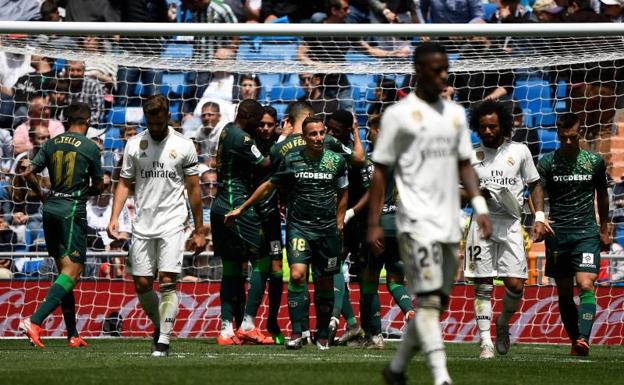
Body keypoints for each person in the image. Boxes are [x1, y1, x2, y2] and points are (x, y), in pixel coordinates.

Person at [366, 42, 492, 385]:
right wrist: (374, 221)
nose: (444, 75)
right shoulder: (397, 116)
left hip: (450, 221)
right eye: (437, 69)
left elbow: (465, 163)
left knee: (436, 304)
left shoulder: (454, 113)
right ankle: (441, 377)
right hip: (414, 221)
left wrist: (479, 206)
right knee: (427, 298)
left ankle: (396, 369)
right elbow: (380, 171)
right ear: (419, 70)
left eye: (446, 68)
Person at [226, 116, 349, 350]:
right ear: (304, 138)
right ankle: (297, 332)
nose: (319, 138)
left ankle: (322, 331)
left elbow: (343, 191)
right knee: (296, 275)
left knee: (324, 283)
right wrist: (242, 208)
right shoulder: (291, 159)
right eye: (313, 134)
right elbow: (270, 185)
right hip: (299, 228)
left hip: (327, 231)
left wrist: (340, 220)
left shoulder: (337, 161)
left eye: (321, 133)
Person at [107, 95, 206, 357]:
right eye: (151, 122)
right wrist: (114, 216)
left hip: (173, 222)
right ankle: (160, 326)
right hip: (143, 223)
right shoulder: (134, 144)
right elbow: (125, 183)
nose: (156, 127)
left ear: (168, 117)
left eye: (160, 122)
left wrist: (199, 228)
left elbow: (194, 188)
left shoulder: (184, 145)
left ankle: (163, 340)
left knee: (167, 281)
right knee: (141, 283)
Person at [463, 100, 549, 359]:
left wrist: (540, 217)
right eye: (483, 127)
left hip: (512, 224)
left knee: (516, 285)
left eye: (492, 126)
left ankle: (503, 323)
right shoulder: (471, 155)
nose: (487, 131)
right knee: (483, 283)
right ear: (476, 128)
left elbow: (534, 184)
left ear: (503, 125)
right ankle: (486, 341)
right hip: (482, 223)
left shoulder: (520, 151)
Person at [18, 102, 104, 348]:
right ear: (86, 122)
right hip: (71, 211)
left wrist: (42, 194)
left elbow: (28, 171)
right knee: (73, 272)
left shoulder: (51, 142)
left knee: (64, 272)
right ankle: (34, 321)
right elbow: (99, 186)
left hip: (50, 209)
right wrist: (88, 190)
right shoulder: (89, 146)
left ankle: (73, 333)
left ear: (67, 121)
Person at [537, 112, 610, 357]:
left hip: (586, 233)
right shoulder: (548, 162)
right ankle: (576, 341)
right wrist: (539, 216)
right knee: (565, 292)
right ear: (558, 134)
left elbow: (602, 194)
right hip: (558, 235)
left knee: (586, 283)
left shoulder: (594, 162)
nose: (568, 142)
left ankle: (584, 337)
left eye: (572, 137)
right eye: (563, 137)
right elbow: (534, 191)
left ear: (580, 133)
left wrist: (603, 228)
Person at [210, 99, 272, 345]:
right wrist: (283, 143)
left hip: (219, 204)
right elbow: (266, 163)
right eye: (257, 120)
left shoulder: (227, 129)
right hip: (238, 206)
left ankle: (226, 330)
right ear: (247, 116)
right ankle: (247, 324)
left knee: (232, 267)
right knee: (263, 260)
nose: (260, 125)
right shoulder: (243, 139)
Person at [359, 113, 415, 349]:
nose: (368, 134)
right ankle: (410, 312)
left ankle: (375, 337)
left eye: (370, 131)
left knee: (369, 279)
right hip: (402, 226)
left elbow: (371, 195)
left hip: (379, 225)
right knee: (395, 279)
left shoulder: (373, 163)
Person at [246, 105, 285, 344]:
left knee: (277, 268)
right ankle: (243, 322)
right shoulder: (250, 145)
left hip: (271, 217)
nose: (266, 128)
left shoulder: (279, 146)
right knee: (251, 268)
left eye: (270, 124)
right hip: (251, 216)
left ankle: (272, 320)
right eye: (262, 124)